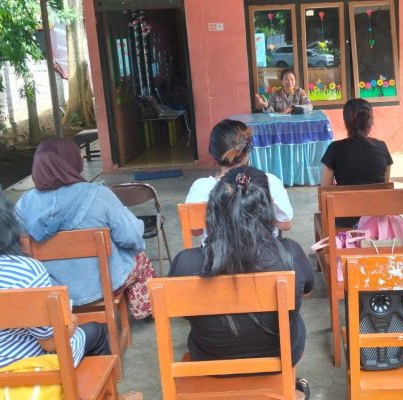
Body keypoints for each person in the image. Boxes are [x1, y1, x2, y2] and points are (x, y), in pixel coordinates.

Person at [170, 166, 314, 399]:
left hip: (209, 359)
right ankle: (289, 389)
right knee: (295, 316)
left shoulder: (186, 263)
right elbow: (306, 292)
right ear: (267, 209)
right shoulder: (291, 255)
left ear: (213, 209)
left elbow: (179, 311)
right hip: (277, 357)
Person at [14, 138, 155, 320]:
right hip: (103, 286)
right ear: (72, 162)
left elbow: (18, 251)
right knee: (139, 256)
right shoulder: (98, 194)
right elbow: (132, 236)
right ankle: (146, 312)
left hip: (53, 291)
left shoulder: (24, 204)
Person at [0, 190, 110, 369]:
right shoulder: (26, 270)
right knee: (95, 331)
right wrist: (71, 320)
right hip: (27, 369)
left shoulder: (26, 200)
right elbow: (50, 343)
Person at [185, 119, 293, 232]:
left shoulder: (201, 188)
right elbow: (286, 224)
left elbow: (195, 230)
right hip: (264, 243)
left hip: (217, 244)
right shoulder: (269, 182)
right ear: (247, 151)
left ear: (213, 153)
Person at [320, 98, 393, 187]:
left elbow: (325, 190)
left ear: (345, 122)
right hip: (378, 197)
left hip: (345, 196)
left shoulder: (334, 148)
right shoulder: (382, 147)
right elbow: (386, 187)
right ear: (370, 122)